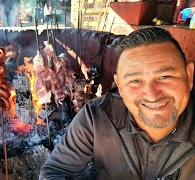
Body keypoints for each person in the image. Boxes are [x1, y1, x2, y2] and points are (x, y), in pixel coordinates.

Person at [39, 27, 195, 179]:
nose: (152, 95)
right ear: (119, 86)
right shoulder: (97, 116)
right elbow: (55, 171)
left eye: (165, 76)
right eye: (135, 81)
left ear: (189, 76)